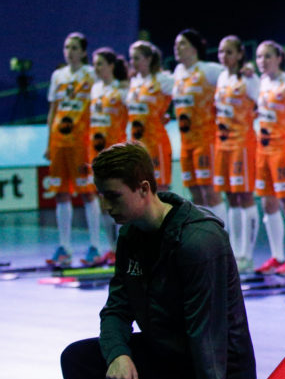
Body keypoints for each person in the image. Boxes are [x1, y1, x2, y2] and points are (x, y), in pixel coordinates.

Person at [60, 143, 270, 379]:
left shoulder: (199, 241)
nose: (106, 208)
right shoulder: (132, 234)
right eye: (101, 197)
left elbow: (209, 340)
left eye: (113, 197)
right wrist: (119, 353)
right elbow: (116, 308)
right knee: (80, 360)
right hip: (169, 354)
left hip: (215, 370)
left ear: (143, 188)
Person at [46, 32, 98, 268]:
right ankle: (64, 247)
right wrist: (49, 142)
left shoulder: (92, 74)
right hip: (60, 142)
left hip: (82, 142)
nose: (70, 51)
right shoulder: (58, 75)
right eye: (67, 47)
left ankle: (95, 246)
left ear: (84, 52)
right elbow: (53, 111)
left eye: (75, 47)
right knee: (61, 193)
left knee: (88, 192)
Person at [252, 40, 285, 275]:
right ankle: (277, 256)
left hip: (284, 149)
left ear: (279, 58)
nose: (262, 61)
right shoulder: (260, 83)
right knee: (267, 203)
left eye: (267, 56)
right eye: (259, 57)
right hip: (263, 150)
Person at [212, 36, 260, 272]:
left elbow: (265, 103)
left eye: (229, 52)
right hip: (223, 145)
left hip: (243, 144)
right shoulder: (222, 77)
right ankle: (234, 250)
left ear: (240, 54)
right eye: (221, 52)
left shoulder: (249, 79)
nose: (224, 56)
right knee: (231, 197)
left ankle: (247, 255)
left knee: (245, 196)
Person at [172, 30, 226, 222]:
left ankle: (221, 237)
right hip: (187, 143)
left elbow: (232, 77)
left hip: (206, 140)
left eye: (182, 44)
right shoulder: (177, 73)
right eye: (176, 44)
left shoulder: (209, 69)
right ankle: (205, 235)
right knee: (195, 193)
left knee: (210, 190)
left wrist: (246, 71)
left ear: (194, 48)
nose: (177, 48)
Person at [86, 48, 130, 266]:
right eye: (95, 64)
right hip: (97, 151)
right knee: (104, 202)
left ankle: (124, 248)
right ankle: (112, 249)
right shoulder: (95, 89)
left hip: (116, 152)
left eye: (100, 63)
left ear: (111, 66)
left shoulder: (122, 89)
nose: (96, 68)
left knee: (119, 199)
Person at [126, 41, 174, 192]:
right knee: (141, 187)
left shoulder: (162, 80)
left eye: (137, 58)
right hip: (137, 143)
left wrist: (169, 114)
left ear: (148, 59)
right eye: (131, 58)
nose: (133, 62)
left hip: (156, 142)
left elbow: (184, 94)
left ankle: (165, 216)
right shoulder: (133, 81)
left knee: (159, 187)